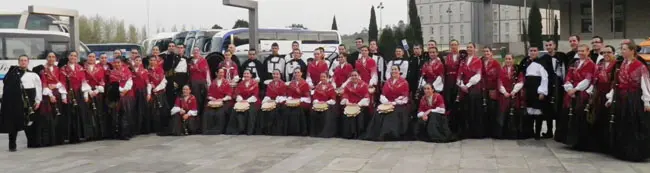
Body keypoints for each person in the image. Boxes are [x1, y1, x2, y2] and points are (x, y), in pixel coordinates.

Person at [605, 42, 650, 161]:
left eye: (624, 49)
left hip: (634, 98)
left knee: (633, 123)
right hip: (621, 97)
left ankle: (635, 152)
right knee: (622, 123)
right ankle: (622, 151)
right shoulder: (622, 64)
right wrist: (611, 97)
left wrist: (647, 101)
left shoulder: (640, 66)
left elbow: (645, 84)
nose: (622, 51)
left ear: (632, 51)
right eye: (622, 49)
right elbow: (616, 83)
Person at [1, 55, 42, 151]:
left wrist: (38, 100)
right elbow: (7, 84)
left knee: (30, 120)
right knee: (13, 122)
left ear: (28, 62)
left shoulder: (34, 75)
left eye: (25, 60)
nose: (23, 62)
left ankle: (32, 142)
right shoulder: (12, 73)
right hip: (16, 100)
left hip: (30, 98)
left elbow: (38, 87)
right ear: (18, 62)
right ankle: (12, 144)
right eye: (21, 60)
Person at [364, 66, 410, 141]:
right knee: (378, 111)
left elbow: (404, 96)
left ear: (399, 71)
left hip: (399, 103)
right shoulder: (387, 82)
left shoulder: (404, 82)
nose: (394, 71)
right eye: (392, 70)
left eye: (395, 69)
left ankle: (389, 134)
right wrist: (386, 101)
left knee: (392, 113)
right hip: (387, 102)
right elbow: (383, 94)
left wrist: (394, 102)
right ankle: (375, 133)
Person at [564, 44, 596, 149]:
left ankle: (582, 143)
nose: (581, 53)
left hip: (582, 92)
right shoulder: (575, 63)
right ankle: (572, 141)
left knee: (581, 116)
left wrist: (576, 89)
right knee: (572, 115)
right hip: (572, 91)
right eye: (579, 51)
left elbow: (588, 79)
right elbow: (568, 76)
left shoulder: (591, 64)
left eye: (583, 51)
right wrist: (569, 88)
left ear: (588, 52)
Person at [60, 51, 93, 142]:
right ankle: (71, 137)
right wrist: (63, 96)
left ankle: (81, 135)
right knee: (70, 114)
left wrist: (86, 94)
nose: (73, 57)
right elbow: (62, 82)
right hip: (69, 93)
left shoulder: (80, 68)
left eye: (75, 56)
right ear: (68, 57)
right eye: (71, 55)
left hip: (79, 93)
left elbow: (83, 81)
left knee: (80, 113)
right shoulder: (63, 69)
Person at [588, 45, 616, 152]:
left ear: (613, 53)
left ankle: (609, 146)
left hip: (610, 94)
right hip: (599, 94)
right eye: (603, 53)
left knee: (609, 119)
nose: (606, 55)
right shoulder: (600, 65)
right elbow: (595, 79)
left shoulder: (616, 65)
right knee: (598, 118)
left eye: (608, 52)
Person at [36, 52, 66, 145]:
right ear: (46, 58)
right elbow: (43, 84)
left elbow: (62, 82)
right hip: (47, 96)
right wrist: (50, 95)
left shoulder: (59, 70)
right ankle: (49, 140)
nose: (51, 58)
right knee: (48, 118)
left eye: (53, 57)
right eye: (49, 57)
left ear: (55, 59)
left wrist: (55, 85)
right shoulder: (43, 70)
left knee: (58, 117)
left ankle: (58, 139)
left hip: (58, 94)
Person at [457, 43, 486, 139]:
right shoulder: (463, 61)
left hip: (474, 88)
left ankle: (475, 132)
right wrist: (461, 84)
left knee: (474, 110)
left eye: (471, 47)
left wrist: (467, 85)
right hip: (463, 88)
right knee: (465, 110)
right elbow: (459, 74)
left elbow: (478, 75)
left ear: (475, 49)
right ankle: (466, 131)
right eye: (468, 47)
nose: (469, 49)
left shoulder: (477, 60)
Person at [521, 46, 549, 140]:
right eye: (531, 51)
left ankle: (537, 133)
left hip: (537, 89)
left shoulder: (541, 63)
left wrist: (542, 92)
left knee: (538, 112)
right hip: (528, 89)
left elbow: (545, 78)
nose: (533, 52)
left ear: (537, 52)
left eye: (535, 51)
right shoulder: (526, 62)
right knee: (529, 111)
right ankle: (529, 132)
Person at [541, 40, 567, 140]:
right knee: (548, 110)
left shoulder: (562, 56)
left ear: (555, 45)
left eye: (550, 45)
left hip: (560, 87)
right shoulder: (543, 58)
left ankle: (559, 132)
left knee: (559, 109)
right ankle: (549, 131)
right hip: (548, 87)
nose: (548, 47)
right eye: (546, 45)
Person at [496, 54, 525, 139]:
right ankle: (503, 134)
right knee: (503, 113)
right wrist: (504, 92)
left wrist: (514, 91)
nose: (508, 60)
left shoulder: (517, 70)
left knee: (513, 113)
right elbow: (499, 81)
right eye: (506, 59)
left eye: (509, 59)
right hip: (504, 95)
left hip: (514, 95)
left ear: (513, 60)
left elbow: (521, 81)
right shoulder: (501, 70)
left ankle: (513, 134)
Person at [108, 58, 135, 140]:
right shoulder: (112, 73)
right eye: (115, 63)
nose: (117, 64)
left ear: (121, 63)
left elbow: (130, 81)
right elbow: (114, 84)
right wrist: (121, 92)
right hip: (117, 95)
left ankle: (126, 133)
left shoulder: (127, 70)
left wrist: (125, 90)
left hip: (128, 94)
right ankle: (119, 134)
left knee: (126, 114)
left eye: (118, 62)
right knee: (117, 115)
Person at [227, 70, 260, 135]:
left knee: (250, 110)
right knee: (235, 110)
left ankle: (249, 131)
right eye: (245, 73)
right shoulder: (240, 84)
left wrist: (247, 101)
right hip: (241, 100)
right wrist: (241, 99)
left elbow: (255, 95)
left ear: (251, 75)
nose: (246, 75)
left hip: (252, 101)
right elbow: (237, 93)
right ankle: (236, 130)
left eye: (248, 73)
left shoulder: (255, 84)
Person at [340, 71, 370, 139]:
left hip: (360, 104)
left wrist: (358, 104)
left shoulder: (364, 85)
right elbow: (345, 94)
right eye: (352, 75)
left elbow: (366, 96)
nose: (354, 77)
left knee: (360, 112)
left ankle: (359, 133)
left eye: (355, 75)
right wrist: (348, 102)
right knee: (346, 112)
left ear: (358, 76)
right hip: (350, 104)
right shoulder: (348, 85)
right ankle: (348, 134)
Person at [203, 69, 234, 135]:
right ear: (216, 73)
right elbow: (209, 94)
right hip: (213, 101)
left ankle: (219, 130)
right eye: (220, 72)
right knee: (208, 112)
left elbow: (229, 94)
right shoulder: (213, 82)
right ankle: (208, 130)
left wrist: (222, 99)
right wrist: (212, 98)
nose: (221, 74)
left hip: (224, 101)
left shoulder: (227, 83)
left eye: (222, 72)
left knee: (220, 113)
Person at [84, 53, 107, 139]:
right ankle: (90, 135)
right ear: (87, 58)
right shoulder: (83, 68)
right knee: (88, 113)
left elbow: (102, 80)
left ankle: (100, 133)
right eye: (89, 56)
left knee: (99, 112)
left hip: (98, 92)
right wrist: (89, 91)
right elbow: (83, 80)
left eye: (93, 57)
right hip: (87, 91)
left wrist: (97, 91)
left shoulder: (100, 68)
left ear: (95, 58)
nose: (91, 58)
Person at [481, 47, 502, 138]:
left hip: (492, 89)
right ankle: (485, 131)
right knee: (484, 111)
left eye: (487, 51)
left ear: (491, 52)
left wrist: (495, 90)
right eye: (484, 51)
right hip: (483, 89)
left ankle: (493, 132)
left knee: (492, 110)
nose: (486, 53)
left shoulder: (496, 63)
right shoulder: (480, 63)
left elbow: (499, 78)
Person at [310, 73, 338, 138]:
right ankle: (315, 132)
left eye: (324, 77)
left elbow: (333, 100)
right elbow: (314, 97)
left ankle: (325, 133)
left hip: (328, 104)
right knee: (312, 111)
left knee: (327, 112)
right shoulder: (317, 87)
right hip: (318, 104)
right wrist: (318, 102)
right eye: (321, 77)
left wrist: (325, 102)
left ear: (327, 78)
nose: (323, 78)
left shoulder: (331, 87)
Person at [283, 68, 311, 136]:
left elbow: (307, 96)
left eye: (298, 72)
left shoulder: (305, 83)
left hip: (302, 101)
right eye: (295, 73)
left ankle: (300, 131)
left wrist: (299, 100)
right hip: (292, 100)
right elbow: (289, 94)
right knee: (286, 108)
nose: (297, 74)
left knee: (298, 109)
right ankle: (288, 131)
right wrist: (290, 99)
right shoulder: (291, 83)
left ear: (301, 73)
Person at [189, 47, 211, 132]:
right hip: (193, 83)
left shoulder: (203, 61)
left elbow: (207, 72)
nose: (195, 53)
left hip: (201, 83)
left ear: (199, 52)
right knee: (195, 101)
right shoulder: (190, 62)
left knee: (203, 101)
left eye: (197, 51)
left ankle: (203, 121)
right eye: (194, 52)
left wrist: (208, 84)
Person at [148, 57, 170, 136]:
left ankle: (162, 128)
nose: (152, 61)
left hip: (160, 93)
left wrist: (156, 89)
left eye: (154, 60)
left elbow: (163, 82)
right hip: (152, 94)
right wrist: (151, 89)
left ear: (156, 62)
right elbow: (148, 82)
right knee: (154, 112)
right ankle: (154, 128)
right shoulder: (148, 71)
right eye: (151, 60)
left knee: (162, 111)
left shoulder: (160, 70)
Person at [444, 40, 462, 132]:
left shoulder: (461, 57)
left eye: (455, 45)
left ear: (458, 46)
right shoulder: (448, 57)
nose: (453, 47)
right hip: (449, 80)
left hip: (458, 80)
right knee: (449, 100)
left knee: (457, 101)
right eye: (452, 45)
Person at [263, 70, 287, 135]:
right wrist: (267, 100)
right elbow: (268, 94)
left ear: (280, 75)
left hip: (280, 101)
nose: (275, 75)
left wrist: (275, 101)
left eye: (277, 74)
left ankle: (277, 131)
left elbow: (284, 95)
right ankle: (267, 130)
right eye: (274, 74)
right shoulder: (270, 84)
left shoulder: (283, 84)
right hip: (271, 100)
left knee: (276, 110)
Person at [131, 57, 151, 135]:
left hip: (142, 92)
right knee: (134, 110)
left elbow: (148, 83)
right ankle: (135, 129)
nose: (138, 62)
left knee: (142, 110)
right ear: (134, 61)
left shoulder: (144, 71)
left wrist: (149, 93)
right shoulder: (130, 70)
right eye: (136, 60)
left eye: (139, 61)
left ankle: (143, 129)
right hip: (133, 92)